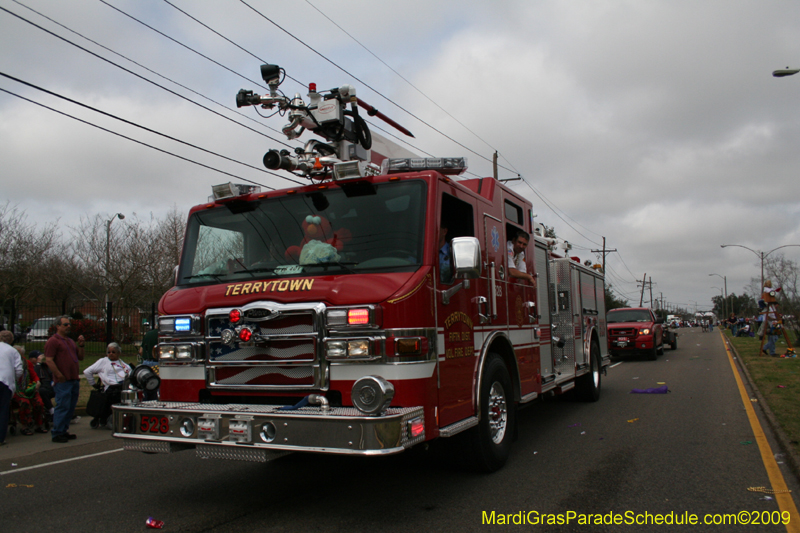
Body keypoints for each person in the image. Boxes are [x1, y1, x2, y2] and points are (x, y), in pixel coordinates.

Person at [44, 316, 85, 443]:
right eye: (65, 324)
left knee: (70, 406)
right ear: (58, 326)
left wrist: (81, 346)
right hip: (63, 381)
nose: (68, 326)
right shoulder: (53, 341)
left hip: (73, 379)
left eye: (69, 324)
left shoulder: (70, 341)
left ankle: (64, 430)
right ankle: (57, 432)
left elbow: (80, 357)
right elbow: (49, 360)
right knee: (62, 405)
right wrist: (58, 374)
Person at [84, 343, 131, 429]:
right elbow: (87, 372)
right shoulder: (103, 361)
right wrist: (93, 384)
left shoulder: (122, 363)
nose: (111, 354)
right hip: (111, 388)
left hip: (123, 386)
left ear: (118, 353)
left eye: (113, 352)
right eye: (109, 352)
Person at [12, 346, 46, 435]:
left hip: (28, 388)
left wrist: (37, 381)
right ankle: (25, 425)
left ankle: (38, 425)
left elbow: (33, 374)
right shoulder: (9, 363)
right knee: (24, 403)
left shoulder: (27, 363)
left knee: (39, 403)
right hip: (17, 390)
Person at [0, 333, 23, 446]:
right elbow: (19, 370)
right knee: (3, 410)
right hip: (5, 382)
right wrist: (15, 380)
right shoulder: (13, 351)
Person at [31, 350, 54, 419]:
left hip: (49, 386)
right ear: (31, 359)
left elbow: (51, 375)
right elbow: (34, 374)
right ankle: (52, 411)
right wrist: (38, 363)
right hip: (40, 388)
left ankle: (67, 412)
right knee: (42, 391)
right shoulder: (32, 367)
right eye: (37, 358)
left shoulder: (45, 366)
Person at [138, 328, 160, 401]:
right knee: (157, 386)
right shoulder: (163, 334)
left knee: (146, 385)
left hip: (146, 364)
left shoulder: (148, 334)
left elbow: (141, 351)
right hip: (158, 364)